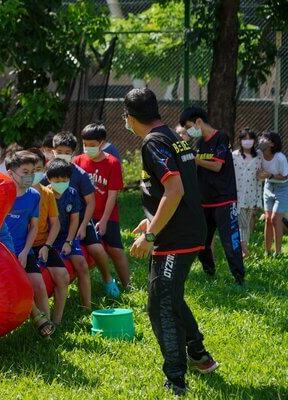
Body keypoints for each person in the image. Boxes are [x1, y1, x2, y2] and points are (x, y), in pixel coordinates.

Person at [125, 88, 218, 396]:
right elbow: (177, 190)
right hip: (188, 230)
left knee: (160, 303)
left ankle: (176, 379)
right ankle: (198, 355)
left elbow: (175, 190)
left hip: (175, 239)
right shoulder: (174, 137)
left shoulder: (154, 142)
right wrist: (152, 219)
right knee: (171, 296)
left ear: (130, 117)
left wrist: (152, 235)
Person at [42, 131, 120, 298]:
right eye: (59, 152)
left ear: (74, 154)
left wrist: (84, 226)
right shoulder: (47, 173)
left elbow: (90, 202)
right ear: (52, 151)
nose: (62, 155)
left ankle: (107, 278)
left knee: (97, 249)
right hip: (56, 223)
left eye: (67, 152)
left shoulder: (80, 174)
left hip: (80, 217)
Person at [179, 107, 245, 286]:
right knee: (202, 243)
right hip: (205, 201)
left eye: (189, 125)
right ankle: (209, 273)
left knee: (229, 242)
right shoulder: (200, 143)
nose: (189, 130)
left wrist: (195, 159)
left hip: (224, 199)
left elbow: (217, 166)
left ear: (199, 121)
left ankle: (239, 279)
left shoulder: (221, 138)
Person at [4, 151, 55, 337]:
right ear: (11, 173)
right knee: (21, 285)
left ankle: (47, 330)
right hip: (2, 252)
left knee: (39, 286)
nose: (30, 176)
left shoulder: (34, 195)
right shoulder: (2, 194)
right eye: (25, 171)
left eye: (32, 171)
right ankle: (38, 319)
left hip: (24, 249)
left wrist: (26, 251)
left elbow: (33, 227)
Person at [74, 123, 131, 288]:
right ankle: (106, 280)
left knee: (116, 250)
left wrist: (104, 220)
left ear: (102, 143)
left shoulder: (112, 163)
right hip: (85, 215)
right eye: (85, 144)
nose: (88, 148)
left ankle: (127, 285)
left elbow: (112, 195)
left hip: (107, 214)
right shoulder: (78, 161)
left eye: (92, 145)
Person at [27, 148, 70, 326]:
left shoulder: (48, 193)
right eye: (30, 170)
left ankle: (56, 321)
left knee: (63, 276)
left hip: (43, 243)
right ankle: (45, 325)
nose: (34, 173)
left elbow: (56, 224)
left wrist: (47, 246)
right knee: (39, 284)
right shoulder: (20, 193)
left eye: (38, 169)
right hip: (25, 245)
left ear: (44, 169)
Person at [45, 158, 92, 310]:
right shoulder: (44, 195)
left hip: (67, 237)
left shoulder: (72, 193)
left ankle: (87, 307)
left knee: (82, 265)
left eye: (64, 179)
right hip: (48, 238)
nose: (61, 183)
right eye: (57, 180)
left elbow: (74, 221)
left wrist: (69, 242)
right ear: (48, 178)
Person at [232, 128, 262, 257]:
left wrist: (259, 200)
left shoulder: (258, 157)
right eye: (244, 139)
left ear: (254, 141)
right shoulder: (234, 156)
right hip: (237, 195)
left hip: (251, 196)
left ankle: (243, 247)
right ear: (240, 140)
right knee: (242, 223)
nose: (247, 141)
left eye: (250, 139)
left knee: (247, 224)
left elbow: (259, 180)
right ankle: (244, 250)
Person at [257, 131, 288, 256]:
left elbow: (285, 177)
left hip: (283, 188)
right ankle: (267, 251)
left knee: (276, 219)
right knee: (268, 219)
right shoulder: (259, 154)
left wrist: (269, 175)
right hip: (268, 187)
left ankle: (278, 251)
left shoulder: (280, 158)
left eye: (265, 139)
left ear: (272, 144)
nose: (261, 140)